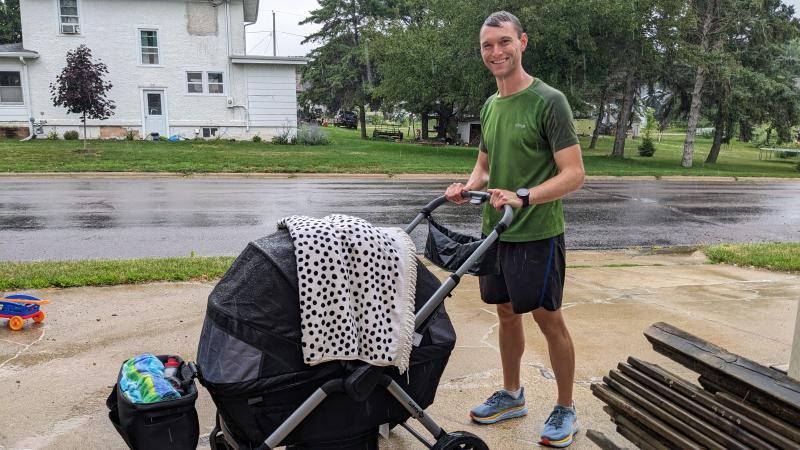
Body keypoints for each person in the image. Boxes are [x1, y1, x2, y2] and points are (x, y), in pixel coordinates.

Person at [444, 11, 585, 448]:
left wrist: (525, 196)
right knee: (505, 313)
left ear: (522, 42)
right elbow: (485, 166)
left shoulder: (549, 100)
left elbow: (574, 173)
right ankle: (511, 394)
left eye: (504, 42)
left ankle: (565, 406)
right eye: (488, 45)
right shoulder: (490, 105)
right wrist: (467, 188)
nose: (496, 52)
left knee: (548, 319)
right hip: (496, 231)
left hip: (537, 232)